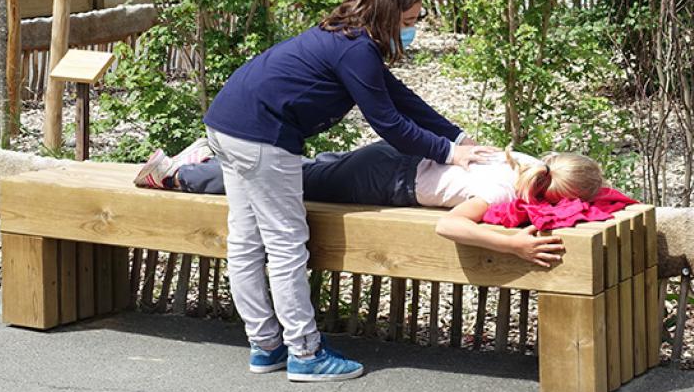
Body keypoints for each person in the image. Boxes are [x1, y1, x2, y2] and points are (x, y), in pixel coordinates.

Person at [201, 0, 496, 381]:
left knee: (247, 242)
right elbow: (389, 124)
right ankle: (305, 353)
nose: (412, 31)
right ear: (387, 13)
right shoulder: (356, 49)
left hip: (228, 123)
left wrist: (457, 137)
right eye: (408, 22)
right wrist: (446, 152)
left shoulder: (347, 33)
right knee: (286, 246)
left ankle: (266, 346)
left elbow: (397, 96)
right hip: (262, 136)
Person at [136, 141, 605, 267]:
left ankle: (208, 160)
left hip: (395, 159)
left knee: (305, 170)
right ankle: (178, 172)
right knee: (285, 182)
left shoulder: (523, 160)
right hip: (383, 180)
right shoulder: (504, 192)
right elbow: (450, 228)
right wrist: (513, 246)